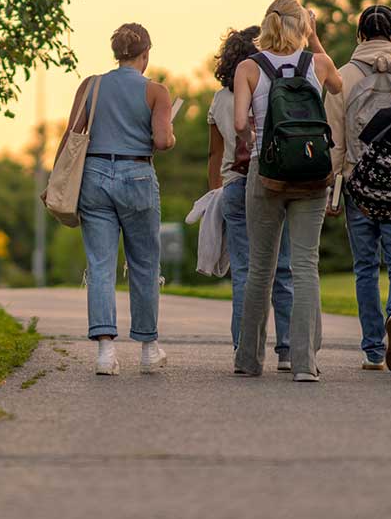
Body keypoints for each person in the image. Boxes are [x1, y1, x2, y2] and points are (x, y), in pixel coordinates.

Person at [232, 0, 343, 382]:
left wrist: (260, 136)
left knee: (260, 268)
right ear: (303, 25)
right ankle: (303, 364)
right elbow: (339, 85)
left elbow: (238, 125)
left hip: (267, 171)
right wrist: (314, 39)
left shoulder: (248, 67)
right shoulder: (319, 63)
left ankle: (248, 359)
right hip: (312, 169)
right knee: (305, 266)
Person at [58, 22, 177, 376]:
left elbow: (72, 134)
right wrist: (171, 133)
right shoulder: (157, 92)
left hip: (93, 176)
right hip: (137, 176)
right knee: (143, 264)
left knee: (100, 265)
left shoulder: (90, 86)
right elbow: (162, 141)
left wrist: (57, 181)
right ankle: (148, 349)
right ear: (146, 54)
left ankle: (105, 355)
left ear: (116, 53)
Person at [325, 4, 391, 373]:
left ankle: (372, 350)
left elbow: (333, 139)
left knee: (365, 266)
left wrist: (334, 189)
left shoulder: (342, 76)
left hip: (357, 183)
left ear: (359, 35)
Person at [206, 26, 295, 370]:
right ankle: (286, 349)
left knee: (244, 271)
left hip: (233, 185)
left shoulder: (219, 99)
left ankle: (243, 346)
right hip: (272, 180)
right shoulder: (271, 88)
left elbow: (215, 154)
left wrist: (216, 188)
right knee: (282, 267)